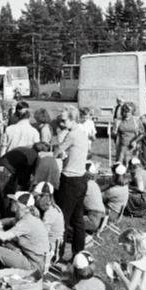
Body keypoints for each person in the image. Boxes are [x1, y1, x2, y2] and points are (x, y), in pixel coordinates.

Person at [0, 191, 50, 276]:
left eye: (15, 201)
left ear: (22, 206)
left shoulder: (27, 222)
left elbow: (4, 236)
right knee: (4, 243)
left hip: (34, 265)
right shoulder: (25, 216)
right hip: (33, 258)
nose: (12, 202)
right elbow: (5, 221)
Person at [54, 106, 90, 261]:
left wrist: (58, 141)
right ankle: (78, 253)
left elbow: (56, 151)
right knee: (78, 219)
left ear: (72, 119)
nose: (61, 123)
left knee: (62, 219)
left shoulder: (72, 134)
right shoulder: (83, 133)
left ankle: (58, 255)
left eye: (64, 120)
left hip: (70, 180)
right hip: (81, 179)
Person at [0, 144, 39, 217]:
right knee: (8, 198)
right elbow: (25, 176)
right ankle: (8, 221)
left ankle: (4, 217)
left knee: (3, 198)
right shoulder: (33, 156)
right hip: (5, 172)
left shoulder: (24, 149)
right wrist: (25, 191)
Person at [32, 181, 64, 263]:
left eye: (36, 197)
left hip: (49, 252)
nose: (34, 200)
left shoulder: (50, 213)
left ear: (44, 197)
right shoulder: (51, 208)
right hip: (50, 246)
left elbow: (40, 235)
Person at [82, 161, 106, 237]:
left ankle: (86, 237)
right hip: (100, 218)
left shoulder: (86, 185)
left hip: (93, 219)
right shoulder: (94, 184)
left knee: (67, 221)